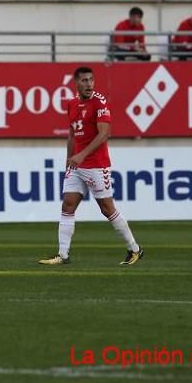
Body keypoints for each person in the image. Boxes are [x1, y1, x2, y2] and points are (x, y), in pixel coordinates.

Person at [38, 67, 144, 267]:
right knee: (68, 205)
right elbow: (72, 133)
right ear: (76, 83)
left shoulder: (100, 102)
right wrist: (69, 158)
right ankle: (63, 254)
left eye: (91, 80)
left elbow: (104, 134)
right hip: (76, 165)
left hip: (96, 164)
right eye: (84, 81)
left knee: (107, 209)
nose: (89, 84)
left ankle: (135, 249)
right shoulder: (71, 103)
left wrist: (81, 155)